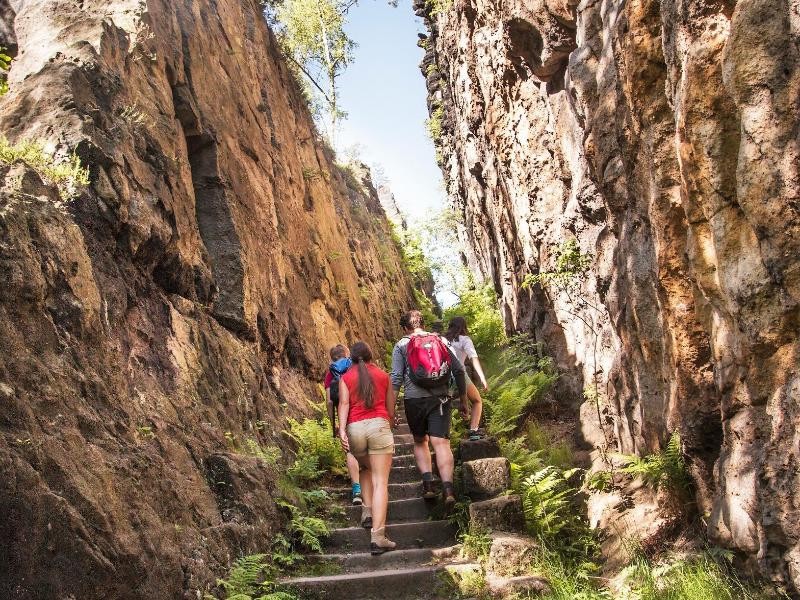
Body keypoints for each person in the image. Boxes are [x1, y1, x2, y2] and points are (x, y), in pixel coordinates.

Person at [391, 310, 467, 509]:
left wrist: (390, 411)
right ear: (422, 323)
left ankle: (428, 485)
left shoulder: (401, 345)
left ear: (405, 328)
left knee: (420, 441)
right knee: (441, 443)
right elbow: (459, 370)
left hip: (414, 400)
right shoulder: (440, 340)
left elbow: (396, 379)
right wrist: (464, 400)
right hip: (440, 398)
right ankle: (449, 490)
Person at [338, 341, 397, 555]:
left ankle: (366, 511)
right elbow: (391, 411)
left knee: (365, 468)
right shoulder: (383, 376)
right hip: (379, 425)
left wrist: (342, 431)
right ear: (371, 355)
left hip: (354, 429)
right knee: (381, 482)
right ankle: (378, 537)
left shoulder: (345, 377)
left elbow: (343, 404)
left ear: (351, 358)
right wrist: (387, 426)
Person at [324, 344, 363, 505]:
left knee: (350, 451)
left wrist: (335, 423)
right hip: (361, 412)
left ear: (332, 358)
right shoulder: (355, 367)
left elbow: (329, 401)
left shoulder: (330, 374)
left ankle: (356, 489)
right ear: (347, 354)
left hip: (344, 416)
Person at [444, 316, 487, 441]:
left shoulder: (442, 340)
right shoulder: (464, 339)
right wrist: (482, 377)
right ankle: (473, 430)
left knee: (445, 404)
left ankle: (445, 434)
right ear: (464, 327)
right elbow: (473, 358)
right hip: (460, 374)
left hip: (444, 375)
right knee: (477, 401)